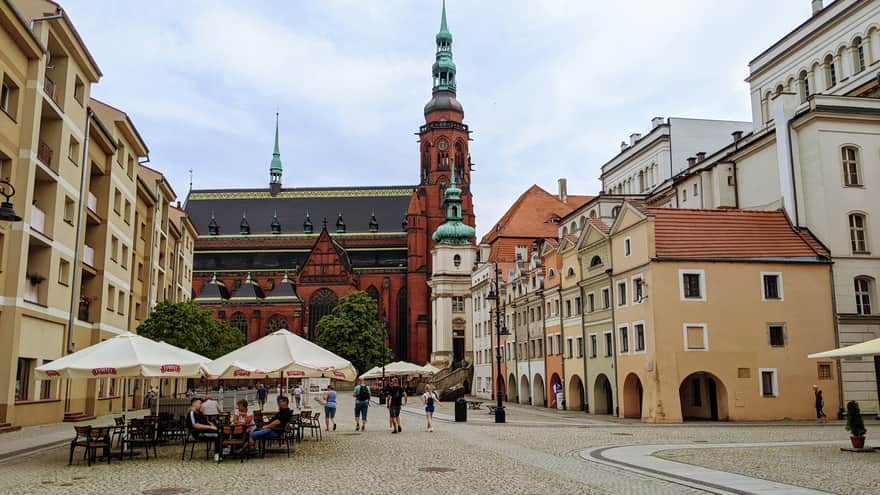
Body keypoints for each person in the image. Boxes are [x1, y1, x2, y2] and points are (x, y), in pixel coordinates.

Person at [186, 397, 221, 461]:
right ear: (194, 404)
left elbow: (206, 422)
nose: (201, 405)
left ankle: (222, 450)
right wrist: (210, 427)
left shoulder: (199, 413)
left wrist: (211, 424)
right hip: (198, 433)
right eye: (200, 403)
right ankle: (217, 454)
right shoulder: (192, 413)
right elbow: (195, 425)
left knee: (221, 431)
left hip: (205, 431)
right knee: (218, 435)